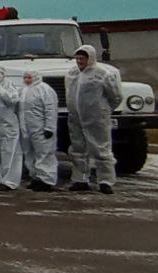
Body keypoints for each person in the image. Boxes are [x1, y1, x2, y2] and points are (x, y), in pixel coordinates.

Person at [66, 44, 122, 194]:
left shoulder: (102, 74)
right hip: (76, 118)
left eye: (82, 58)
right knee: (78, 149)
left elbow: (115, 96)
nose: (79, 61)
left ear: (90, 58)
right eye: (77, 58)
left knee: (101, 149)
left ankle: (105, 181)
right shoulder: (72, 73)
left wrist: (103, 110)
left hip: (96, 119)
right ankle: (80, 179)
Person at [19, 69, 59, 191]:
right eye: (25, 77)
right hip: (28, 129)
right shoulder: (24, 90)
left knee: (45, 154)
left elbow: (50, 109)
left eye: (29, 77)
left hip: (41, 128)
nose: (27, 80)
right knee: (30, 154)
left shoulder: (44, 89)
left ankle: (47, 180)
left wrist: (49, 127)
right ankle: (36, 177)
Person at [0, 65, 23, 191]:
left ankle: (11, 181)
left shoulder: (8, 85)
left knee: (10, 153)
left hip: (8, 126)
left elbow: (13, 99)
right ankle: (1, 179)